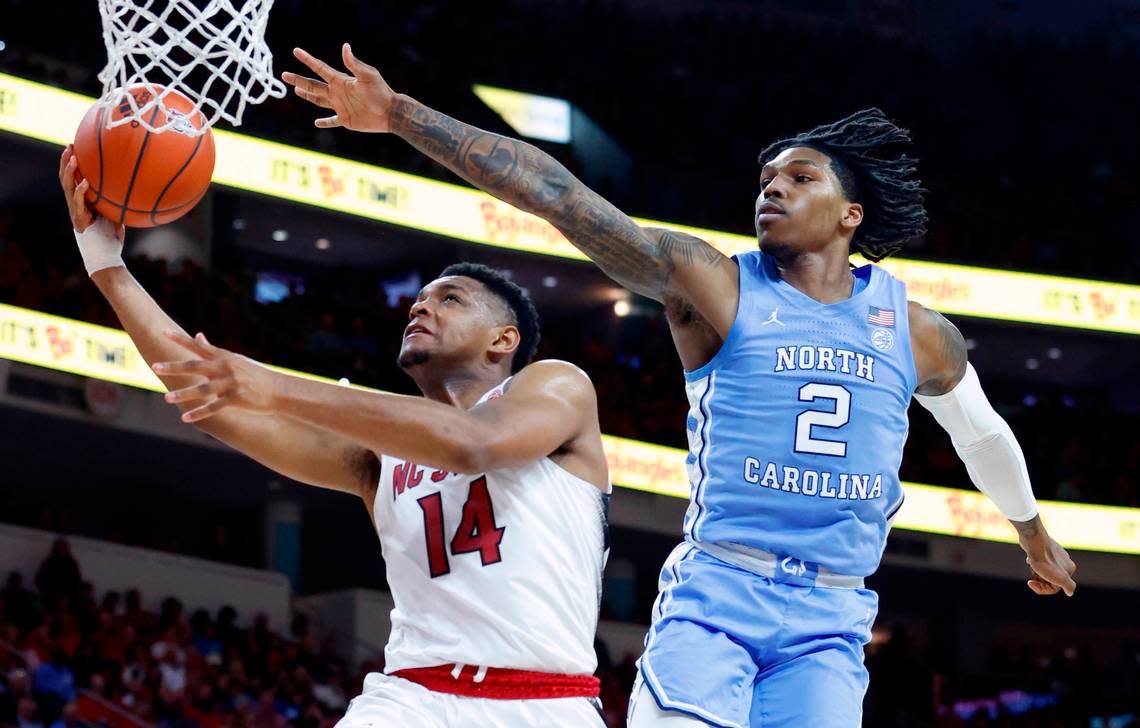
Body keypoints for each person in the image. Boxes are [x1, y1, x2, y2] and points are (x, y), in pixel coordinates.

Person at [283, 44, 1078, 727]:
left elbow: (978, 432)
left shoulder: (915, 328)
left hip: (834, 616)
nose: (772, 188)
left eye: (800, 178)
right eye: (766, 177)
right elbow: (561, 197)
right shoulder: (715, 285)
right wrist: (402, 116)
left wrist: (1031, 529)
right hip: (720, 595)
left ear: (851, 216)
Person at [58, 147, 611, 727]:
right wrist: (105, 263)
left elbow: (473, 443)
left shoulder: (559, 387)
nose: (421, 307)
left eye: (449, 299)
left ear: (503, 341)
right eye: (418, 300)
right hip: (411, 697)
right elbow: (209, 396)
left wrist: (272, 386)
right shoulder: (379, 456)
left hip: (545, 703)